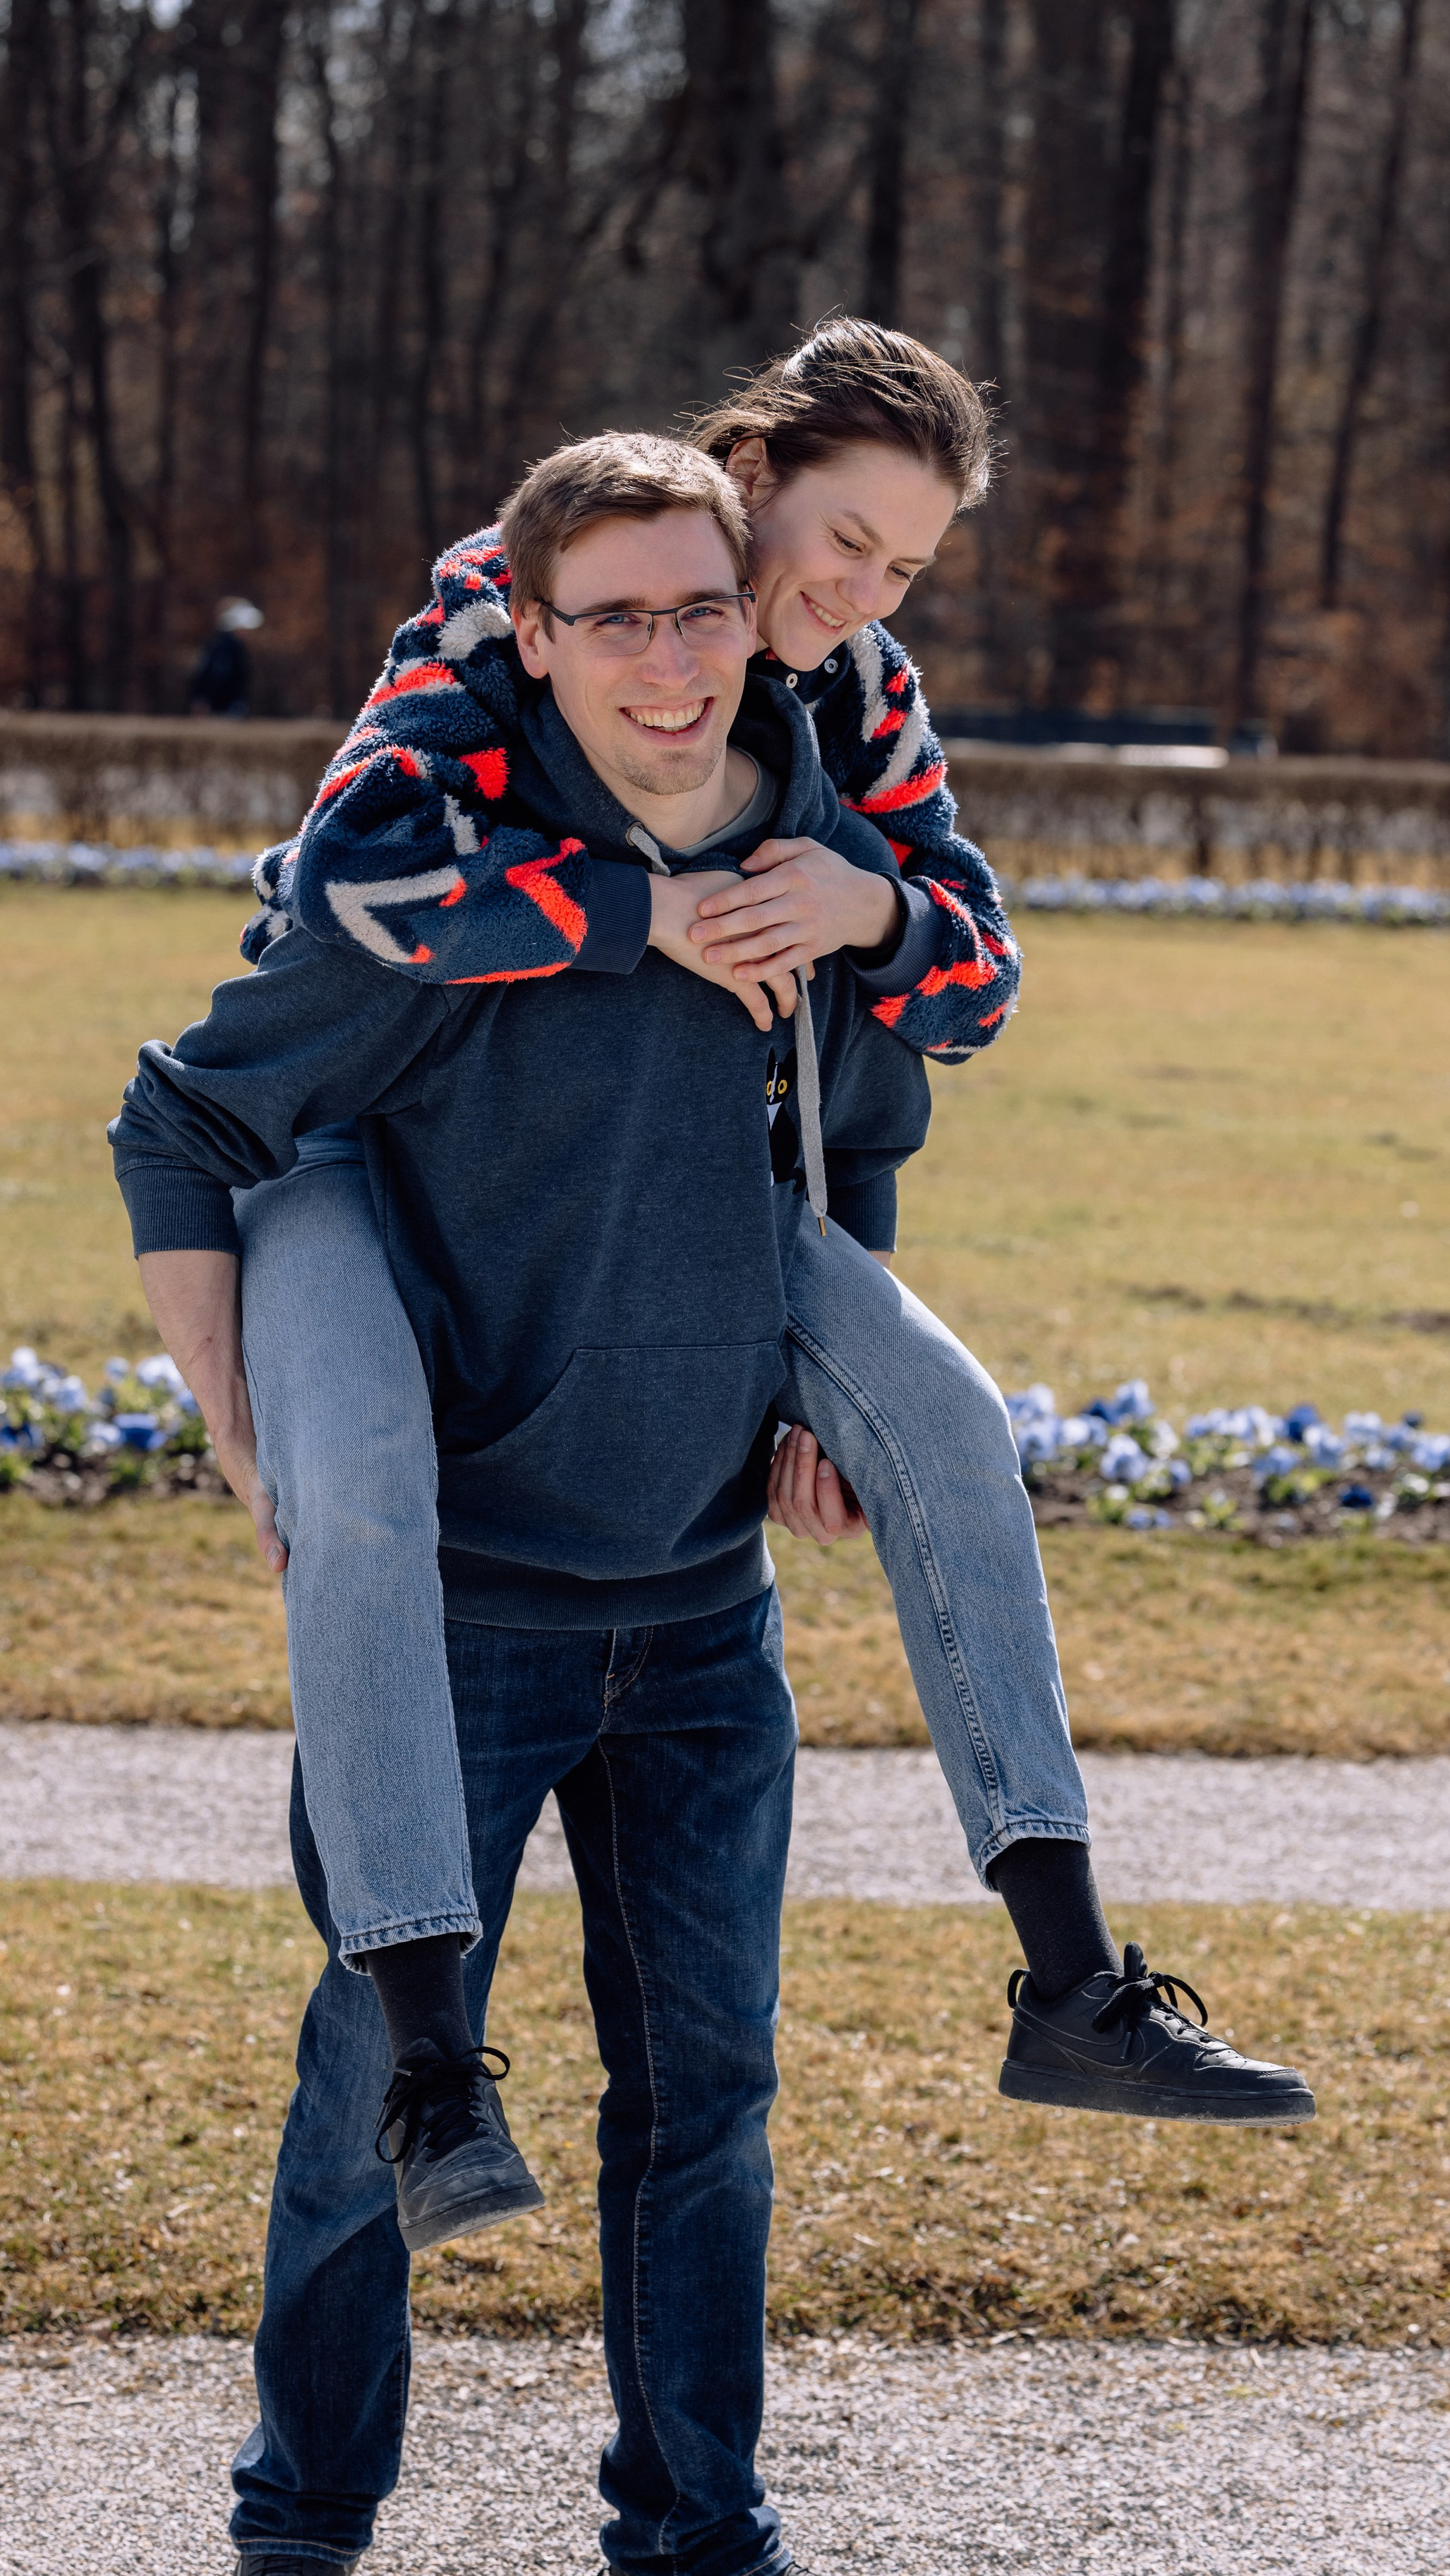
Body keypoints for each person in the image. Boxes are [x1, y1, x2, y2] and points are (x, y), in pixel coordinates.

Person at [234, 321, 1317, 2172]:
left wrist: (878, 904)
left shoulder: (860, 696)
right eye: (841, 540)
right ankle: (424, 2067)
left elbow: (968, 994)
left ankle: (1074, 1987)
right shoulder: (524, 602)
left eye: (905, 566)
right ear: (750, 473)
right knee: (370, 1500)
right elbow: (353, 876)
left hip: (692, 1200)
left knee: (954, 1421)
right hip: (400, 1151)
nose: (862, 592)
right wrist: (638, 911)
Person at [111, 435, 978, 2576]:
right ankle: (292, 2557)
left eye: (712, 610)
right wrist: (244, 1419)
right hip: (463, 1625)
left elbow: (865, 1137)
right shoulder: (437, 897)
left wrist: (824, 1369)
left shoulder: (794, 883)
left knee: (708, 2101)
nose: (679, 661)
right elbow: (184, 1113)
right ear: (528, 632)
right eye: (620, 620)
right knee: (368, 2108)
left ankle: (697, 2554)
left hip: (702, 1614)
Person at [188, 596, 263, 715]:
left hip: (228, 706)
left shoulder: (229, 646)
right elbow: (217, 675)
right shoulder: (225, 648)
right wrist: (205, 699)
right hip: (223, 707)